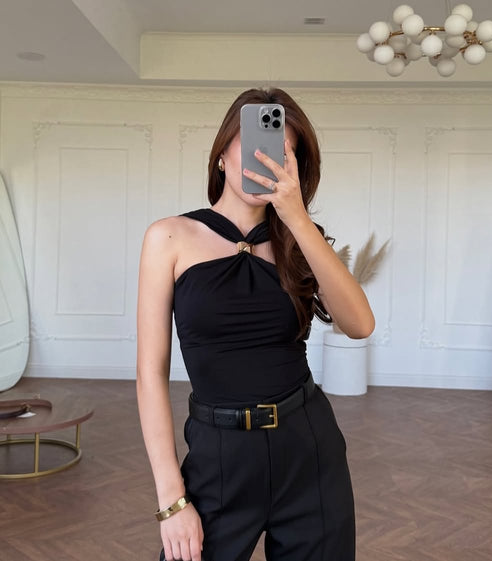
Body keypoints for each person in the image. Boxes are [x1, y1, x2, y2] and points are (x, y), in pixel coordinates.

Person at [136, 87, 375, 561]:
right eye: (253, 146)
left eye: (281, 153)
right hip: (219, 454)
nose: (264, 161)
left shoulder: (300, 240)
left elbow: (360, 324)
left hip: (308, 448)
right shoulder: (169, 237)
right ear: (222, 154)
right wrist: (171, 500)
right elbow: (150, 374)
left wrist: (297, 218)